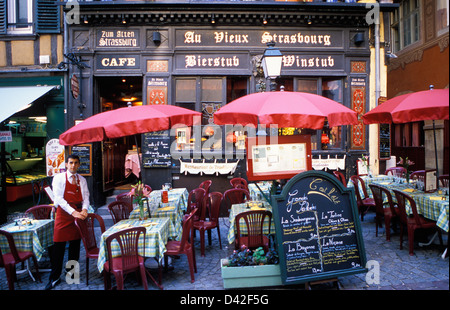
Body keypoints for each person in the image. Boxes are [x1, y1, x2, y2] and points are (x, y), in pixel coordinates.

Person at [45, 155, 90, 290]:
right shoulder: (58, 178)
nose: (73, 165)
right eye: (71, 163)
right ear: (66, 164)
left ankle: (71, 274)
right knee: (58, 247)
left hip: (78, 214)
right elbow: (58, 199)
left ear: (79, 165)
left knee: (75, 246)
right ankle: (54, 277)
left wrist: (85, 210)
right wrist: (73, 212)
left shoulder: (82, 180)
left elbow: (86, 197)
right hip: (64, 215)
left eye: (76, 163)